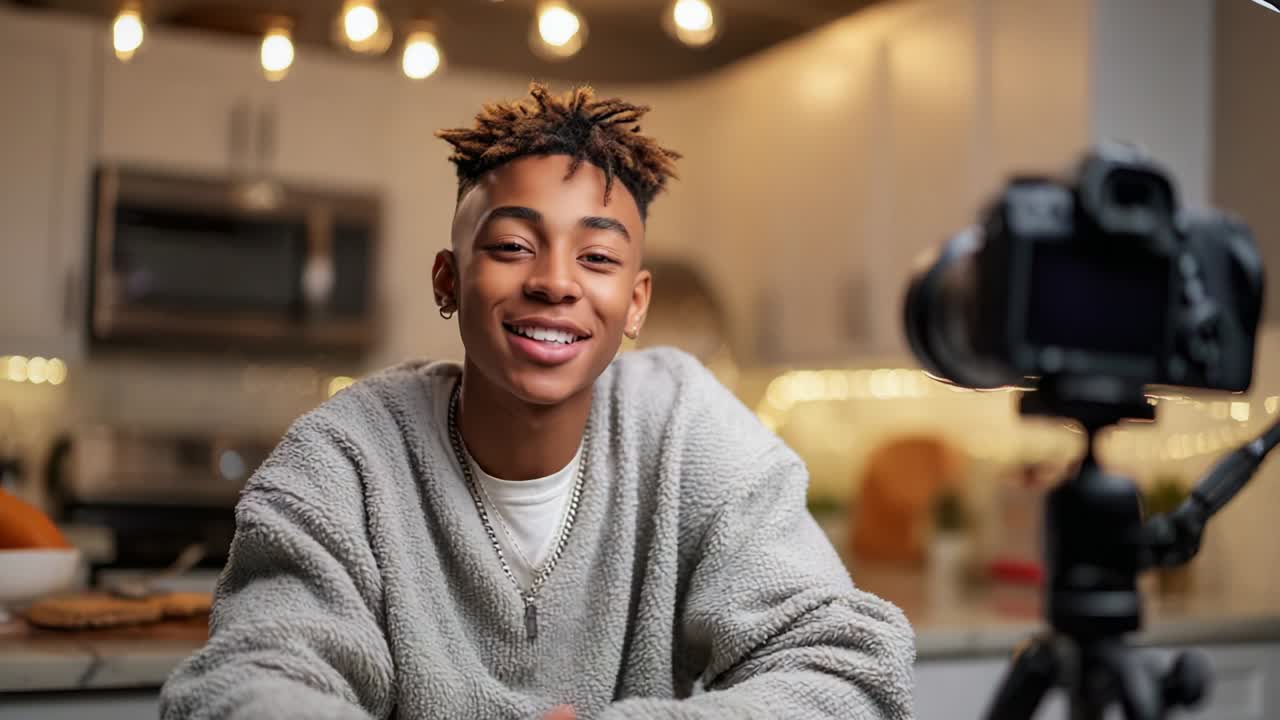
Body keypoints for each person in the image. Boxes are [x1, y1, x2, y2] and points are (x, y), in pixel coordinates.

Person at [160, 82, 915, 719]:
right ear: (448, 280)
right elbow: (250, 682)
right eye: (513, 246)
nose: (556, 282)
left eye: (597, 257)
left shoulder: (687, 427)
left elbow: (847, 666)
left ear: (635, 302)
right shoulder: (346, 457)